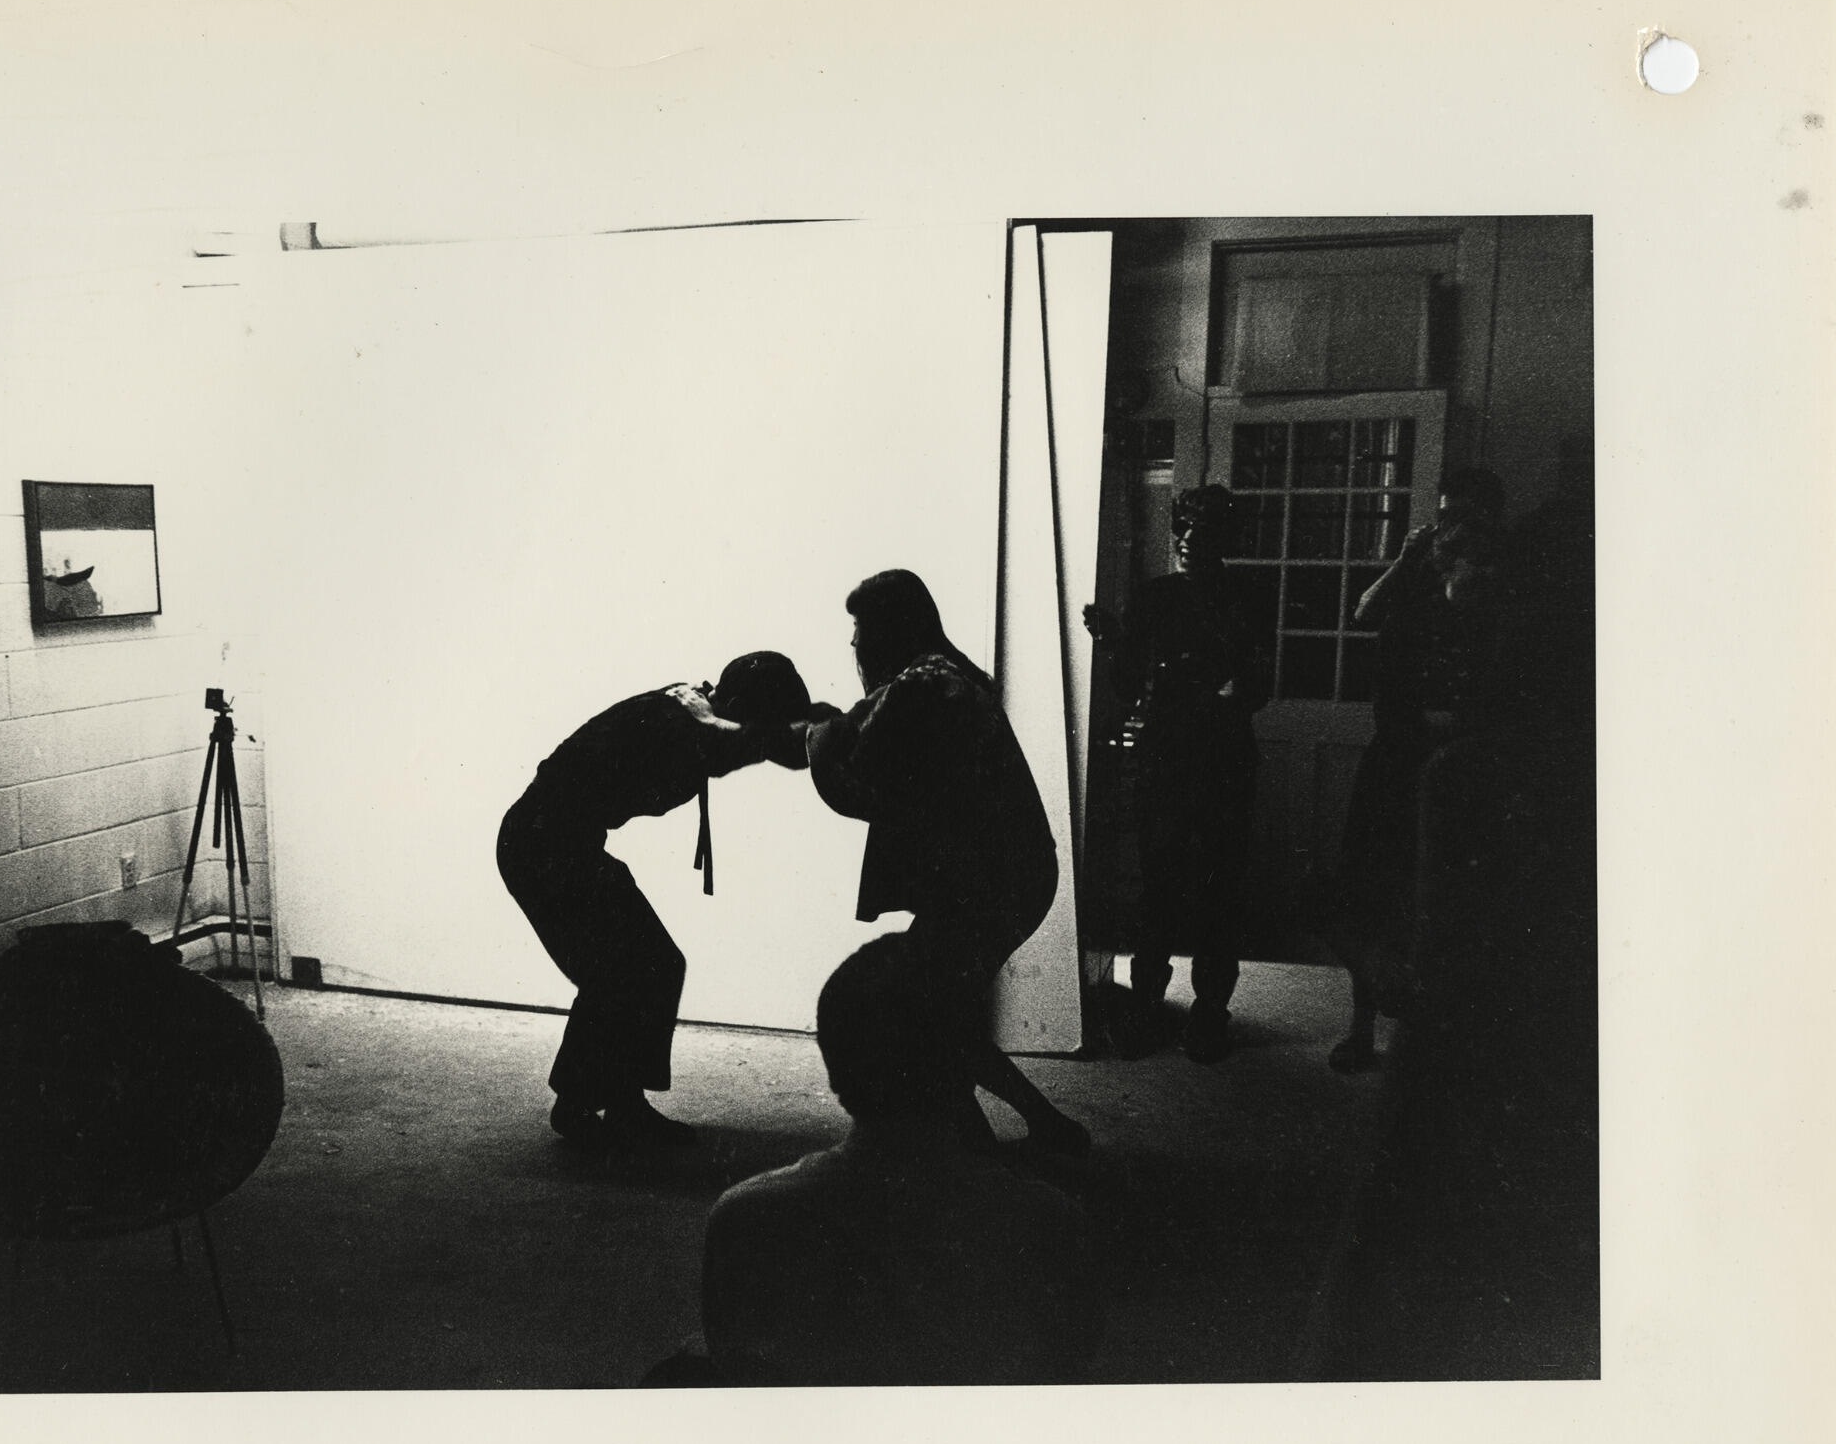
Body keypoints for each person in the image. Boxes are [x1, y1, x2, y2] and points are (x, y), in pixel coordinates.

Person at [688, 934, 1101, 1385]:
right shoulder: (1051, 1224)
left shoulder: (744, 1219)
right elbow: (1067, 1369)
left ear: (832, 1067)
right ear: (971, 1068)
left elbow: (733, 1357)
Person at [801, 569, 1090, 1157]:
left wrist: (817, 748)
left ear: (889, 630)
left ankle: (1008, 1142)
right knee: (937, 1010)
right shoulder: (941, 674)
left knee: (932, 1015)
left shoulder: (919, 688)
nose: (853, 644)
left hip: (986, 884)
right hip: (1007, 874)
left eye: (860, 628)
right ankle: (1020, 1133)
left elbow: (860, 790)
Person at [497, 652, 821, 1147]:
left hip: (561, 843)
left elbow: (774, 746)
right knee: (627, 968)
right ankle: (584, 1107)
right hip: (541, 846)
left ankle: (615, 1105)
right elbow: (756, 741)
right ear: (733, 707)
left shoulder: (695, 711)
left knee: (647, 964)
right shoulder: (683, 723)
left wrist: (824, 726)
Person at [1082, 483, 1271, 1064]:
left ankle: (1211, 1012)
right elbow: (1126, 686)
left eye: (1204, 530)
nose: (1189, 540)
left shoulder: (1248, 596)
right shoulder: (1153, 597)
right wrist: (1115, 645)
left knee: (1219, 888)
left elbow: (1259, 686)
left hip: (1222, 760)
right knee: (1157, 888)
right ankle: (1146, 1008)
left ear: (1226, 539)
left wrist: (1217, 692)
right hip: (1164, 759)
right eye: (1182, 527)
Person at [1325, 465, 1506, 1072]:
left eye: (1465, 514)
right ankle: (1361, 1027)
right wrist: (1405, 564)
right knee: (1372, 891)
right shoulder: (1418, 584)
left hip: (1466, 769)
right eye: (1445, 511)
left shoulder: (1503, 588)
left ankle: (1439, 1038)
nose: (1451, 525)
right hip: (1397, 763)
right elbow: (1363, 614)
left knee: (1445, 900)